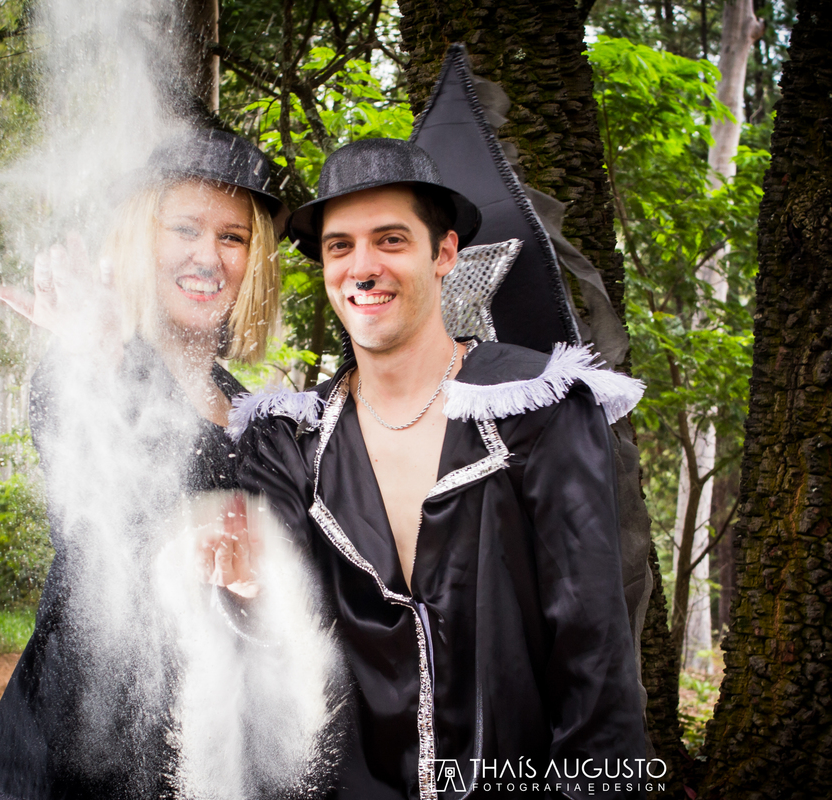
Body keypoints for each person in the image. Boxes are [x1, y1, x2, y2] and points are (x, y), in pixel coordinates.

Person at [229, 138, 648, 799]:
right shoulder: (291, 442)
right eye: (340, 246)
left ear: (444, 252)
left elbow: (593, 649)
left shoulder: (535, 408)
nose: (363, 268)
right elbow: (267, 639)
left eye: (391, 240)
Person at [0, 128, 285, 800]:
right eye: (185, 229)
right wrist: (99, 366)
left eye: (232, 237)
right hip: (67, 761)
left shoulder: (255, 417)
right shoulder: (88, 366)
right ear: (143, 238)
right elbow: (99, 534)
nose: (208, 256)